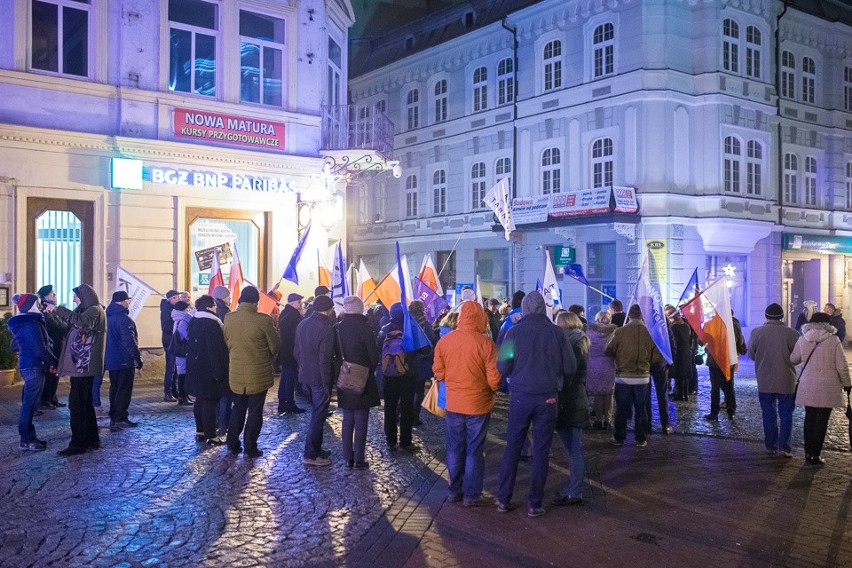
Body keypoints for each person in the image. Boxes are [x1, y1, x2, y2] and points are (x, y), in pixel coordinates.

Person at [496, 291, 576, 518]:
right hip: (547, 396)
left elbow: (502, 365)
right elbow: (569, 366)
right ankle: (534, 503)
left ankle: (503, 499)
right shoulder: (557, 333)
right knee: (541, 450)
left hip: (520, 395)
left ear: (524, 309)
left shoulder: (514, 332)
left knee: (513, 446)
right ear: (543, 309)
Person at [433, 301, 501, 507]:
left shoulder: (445, 341)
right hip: (478, 404)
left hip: (454, 403)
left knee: (454, 447)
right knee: (474, 449)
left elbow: (439, 372)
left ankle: (454, 490)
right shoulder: (486, 344)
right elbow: (494, 380)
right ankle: (471, 494)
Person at [51, 284, 106, 456]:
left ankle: (78, 443)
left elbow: (81, 323)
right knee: (84, 403)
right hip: (83, 365)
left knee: (77, 405)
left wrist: (59, 309)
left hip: (84, 366)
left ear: (84, 297)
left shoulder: (94, 311)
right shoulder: (92, 310)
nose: (74, 299)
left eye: (76, 297)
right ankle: (90, 439)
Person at [224, 287, 279, 458]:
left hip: (236, 373)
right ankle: (250, 446)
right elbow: (275, 346)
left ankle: (232, 444)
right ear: (256, 301)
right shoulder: (264, 320)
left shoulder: (229, 318)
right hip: (258, 373)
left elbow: (227, 342)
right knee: (255, 411)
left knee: (237, 409)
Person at [791, 312, 851, 466]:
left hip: (807, 384)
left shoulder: (803, 338)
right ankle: (815, 455)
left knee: (809, 418)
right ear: (828, 324)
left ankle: (807, 453)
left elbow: (793, 359)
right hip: (828, 386)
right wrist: (847, 383)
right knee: (822, 421)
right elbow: (842, 366)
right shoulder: (834, 340)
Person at [604, 304, 664, 448]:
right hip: (642, 376)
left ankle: (619, 437)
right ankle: (641, 439)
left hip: (623, 376)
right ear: (643, 316)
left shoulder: (620, 332)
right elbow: (657, 357)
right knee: (641, 409)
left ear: (629, 315)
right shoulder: (651, 333)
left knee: (622, 409)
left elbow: (608, 350)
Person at [748, 303, 800, 457]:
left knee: (768, 414)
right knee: (786, 414)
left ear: (766, 316)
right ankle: (784, 447)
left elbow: (751, 354)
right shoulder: (792, 333)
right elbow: (797, 357)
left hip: (764, 378)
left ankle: (771, 446)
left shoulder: (757, 332)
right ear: (782, 316)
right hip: (787, 379)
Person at [336, 296, 381, 469]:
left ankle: (348, 457)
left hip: (345, 374)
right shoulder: (365, 328)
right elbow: (373, 355)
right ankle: (359, 458)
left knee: (347, 418)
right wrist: (367, 369)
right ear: (360, 308)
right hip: (363, 377)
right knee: (361, 418)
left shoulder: (338, 328)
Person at [8, 293, 57, 451]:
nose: (39, 305)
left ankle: (28, 437)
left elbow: (15, 345)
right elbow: (40, 348)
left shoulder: (24, 323)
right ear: (31, 306)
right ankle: (26, 439)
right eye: (35, 303)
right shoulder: (31, 324)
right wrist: (54, 361)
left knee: (30, 404)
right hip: (33, 366)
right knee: (29, 405)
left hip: (30, 364)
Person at [295, 294, 336, 466]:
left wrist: (302, 368)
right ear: (328, 310)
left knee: (317, 414)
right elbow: (325, 359)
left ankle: (317, 449)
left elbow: (296, 351)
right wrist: (328, 384)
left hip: (306, 375)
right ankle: (310, 454)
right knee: (318, 416)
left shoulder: (303, 323)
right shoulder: (326, 328)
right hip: (319, 378)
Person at [553, 311, 590, 506]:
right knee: (573, 446)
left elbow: (568, 375)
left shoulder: (571, 345)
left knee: (574, 448)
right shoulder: (579, 341)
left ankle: (575, 491)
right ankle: (574, 489)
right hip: (577, 399)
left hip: (571, 401)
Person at [186, 295, 229, 445]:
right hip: (209, 368)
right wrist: (219, 372)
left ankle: (200, 432)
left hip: (195, 366)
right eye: (215, 306)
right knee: (210, 401)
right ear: (209, 307)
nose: (216, 308)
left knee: (200, 400)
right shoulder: (211, 324)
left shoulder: (194, 320)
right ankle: (211, 435)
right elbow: (215, 350)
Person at [378, 302, 418, 452]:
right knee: (407, 407)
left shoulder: (384, 329)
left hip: (389, 374)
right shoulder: (410, 329)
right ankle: (406, 441)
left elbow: (378, 349)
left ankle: (390, 440)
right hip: (408, 374)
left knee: (390, 407)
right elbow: (420, 349)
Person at [104, 290, 143, 431]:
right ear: (122, 302)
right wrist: (137, 359)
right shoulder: (123, 319)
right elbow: (129, 342)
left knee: (115, 389)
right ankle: (120, 418)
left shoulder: (108, 317)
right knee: (123, 390)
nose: (129, 303)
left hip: (112, 360)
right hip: (123, 360)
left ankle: (115, 416)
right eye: (128, 300)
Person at [704, 311, 747, 422]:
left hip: (714, 359)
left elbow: (702, 341)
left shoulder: (711, 323)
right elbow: (740, 340)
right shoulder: (735, 323)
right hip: (729, 358)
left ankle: (714, 414)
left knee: (715, 388)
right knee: (729, 386)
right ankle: (731, 412)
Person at [36, 285, 67, 410]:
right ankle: (45, 400)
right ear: (44, 297)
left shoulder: (54, 310)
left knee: (55, 375)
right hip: (52, 347)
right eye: (52, 294)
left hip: (59, 346)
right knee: (49, 374)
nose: (54, 296)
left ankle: (53, 398)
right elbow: (60, 328)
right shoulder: (45, 312)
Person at [586, 310, 617, 429]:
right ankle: (608, 420)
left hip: (593, 364)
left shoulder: (589, 331)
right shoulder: (614, 332)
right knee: (609, 392)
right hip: (609, 364)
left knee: (598, 393)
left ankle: (598, 420)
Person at [277, 292, 306, 416]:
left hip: (285, 350)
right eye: (299, 302)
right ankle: (289, 403)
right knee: (290, 377)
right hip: (291, 351)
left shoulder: (285, 313)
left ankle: (282, 403)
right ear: (293, 302)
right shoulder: (293, 316)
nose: (301, 304)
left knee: (285, 377)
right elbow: (297, 335)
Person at [408, 300, 436, 426]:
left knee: (407, 389)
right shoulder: (425, 324)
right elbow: (431, 340)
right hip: (422, 361)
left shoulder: (406, 323)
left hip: (408, 360)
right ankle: (414, 416)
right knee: (419, 390)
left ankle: (402, 413)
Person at [668, 310, 696, 402]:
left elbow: (674, 341)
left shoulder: (675, 327)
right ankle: (685, 394)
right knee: (684, 375)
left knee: (679, 375)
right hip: (686, 351)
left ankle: (680, 394)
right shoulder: (686, 325)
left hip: (679, 353)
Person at [170, 300, 193, 406]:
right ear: (185, 309)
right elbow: (185, 334)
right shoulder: (184, 319)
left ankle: (183, 396)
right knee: (183, 373)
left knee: (181, 371)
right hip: (183, 349)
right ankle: (183, 396)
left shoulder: (177, 318)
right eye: (188, 308)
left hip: (179, 349)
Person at [160, 289, 181, 402]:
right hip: (170, 342)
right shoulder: (167, 310)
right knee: (171, 368)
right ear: (172, 298)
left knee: (175, 368)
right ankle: (167, 392)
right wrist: (177, 323)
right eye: (176, 297)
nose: (178, 299)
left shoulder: (172, 309)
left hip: (174, 341)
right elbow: (166, 327)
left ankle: (174, 391)